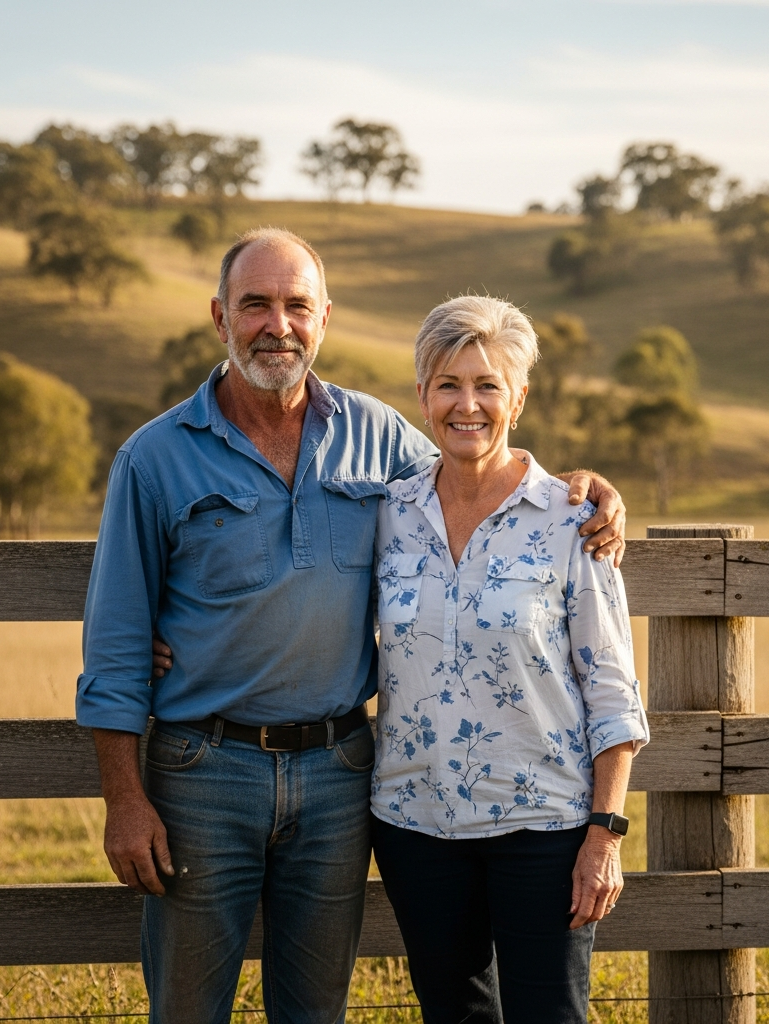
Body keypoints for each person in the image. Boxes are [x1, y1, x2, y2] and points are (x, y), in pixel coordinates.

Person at [80, 227, 627, 1024]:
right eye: (256, 304)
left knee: (316, 1009)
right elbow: (117, 643)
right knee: (189, 1007)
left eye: (296, 305)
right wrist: (125, 801)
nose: (278, 324)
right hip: (204, 771)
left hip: (339, 773)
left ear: (324, 318)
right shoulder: (155, 458)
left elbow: (476, 454)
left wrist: (590, 490)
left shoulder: (377, 437)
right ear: (219, 317)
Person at [368, 295, 649, 1024]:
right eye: (449, 385)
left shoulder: (572, 518)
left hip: (546, 828)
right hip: (415, 823)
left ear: (518, 398)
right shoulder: (386, 514)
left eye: (488, 385)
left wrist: (603, 834)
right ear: (422, 397)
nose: (468, 404)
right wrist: (179, 630)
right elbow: (304, 598)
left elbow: (613, 691)